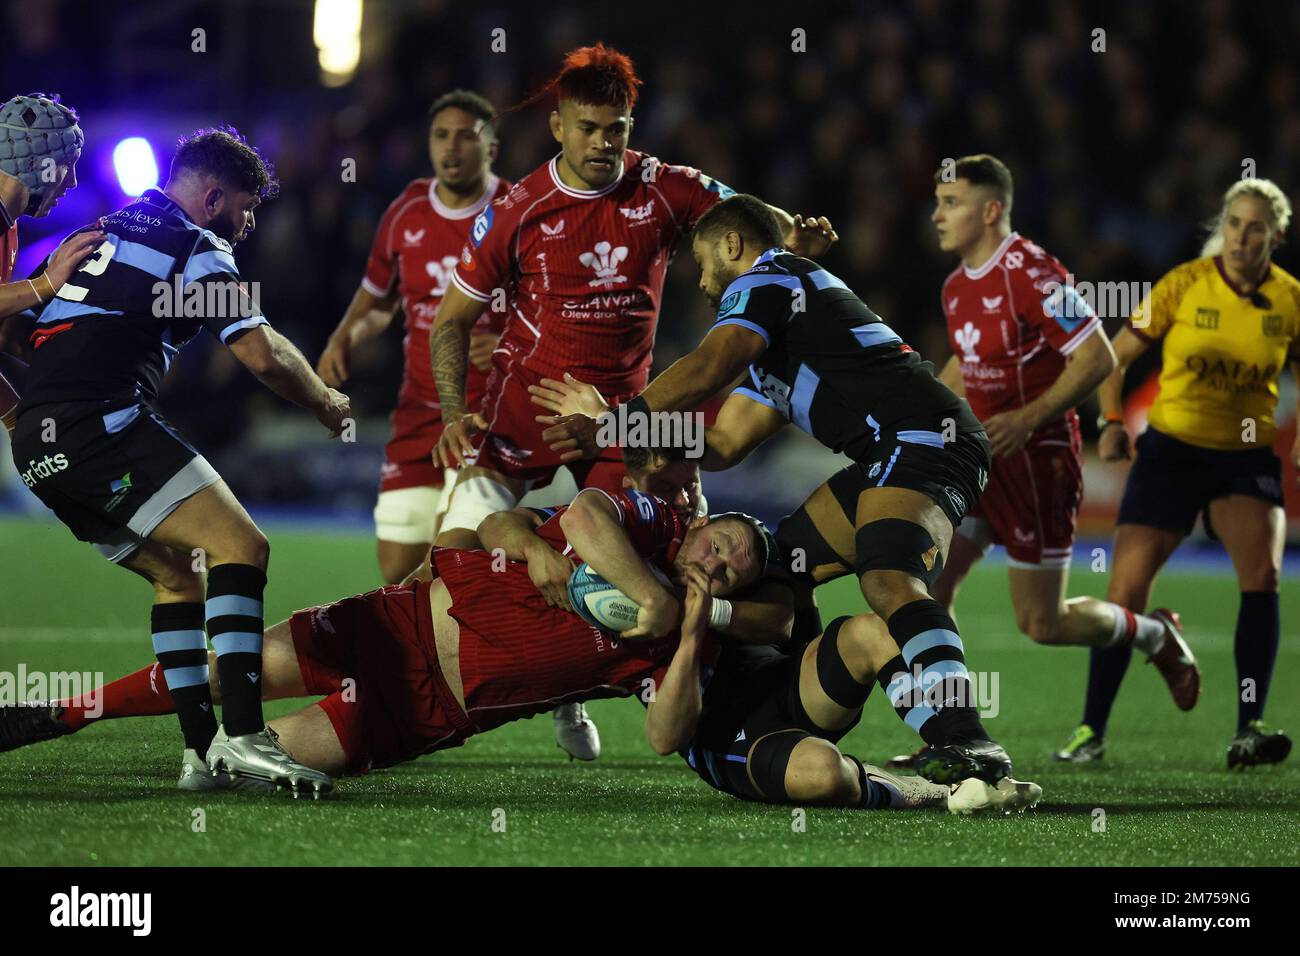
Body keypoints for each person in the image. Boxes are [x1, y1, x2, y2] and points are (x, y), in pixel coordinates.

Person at [428, 43, 835, 757]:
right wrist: (452, 409)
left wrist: (791, 239)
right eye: (588, 127)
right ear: (558, 126)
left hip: (628, 421)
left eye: (617, 128)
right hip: (525, 409)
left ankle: (591, 692)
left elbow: (749, 219)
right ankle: (421, 683)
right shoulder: (519, 207)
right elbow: (451, 320)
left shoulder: (665, 186)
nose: (604, 143)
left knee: (655, 567)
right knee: (455, 559)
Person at [533, 194, 1019, 786]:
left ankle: (966, 739)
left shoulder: (768, 276)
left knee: (887, 579)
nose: (705, 283)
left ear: (732, 246)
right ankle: (799, 689)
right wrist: (637, 433)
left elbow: (711, 365)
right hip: (888, 453)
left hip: (924, 439)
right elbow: (721, 444)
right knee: (784, 564)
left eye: (705, 263)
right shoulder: (780, 342)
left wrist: (613, 419)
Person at [1, 482, 768, 786]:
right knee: (220, 674)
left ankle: (194, 759)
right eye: (723, 539)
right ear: (702, 525)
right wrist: (649, 599)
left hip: (426, 713)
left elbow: (668, 736)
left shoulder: (681, 647)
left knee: (241, 767)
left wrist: (691, 627)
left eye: (735, 564)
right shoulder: (654, 525)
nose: (721, 558)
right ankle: (54, 715)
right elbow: (580, 513)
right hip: (394, 624)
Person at [9, 127, 351, 793]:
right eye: (247, 208)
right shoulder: (194, 244)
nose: (248, 223)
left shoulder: (104, 229)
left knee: (178, 576)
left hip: (35, 444)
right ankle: (247, 737)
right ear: (215, 196)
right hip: (100, 425)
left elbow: (12, 330)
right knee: (241, 548)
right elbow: (260, 352)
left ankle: (202, 755)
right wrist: (325, 405)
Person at [882, 155, 1195, 770]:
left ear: (991, 210)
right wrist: (912, 414)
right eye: (938, 202)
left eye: (952, 203)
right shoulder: (955, 285)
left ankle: (1155, 634)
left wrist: (1029, 419)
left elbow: (1098, 356)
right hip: (980, 462)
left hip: (1038, 463)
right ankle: (952, 735)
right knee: (926, 589)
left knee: (1041, 623)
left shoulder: (1032, 273)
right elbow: (964, 370)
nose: (937, 214)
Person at [1057, 178, 1299, 769]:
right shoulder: (1185, 283)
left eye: (1256, 227)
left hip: (1245, 456)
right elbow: (1117, 356)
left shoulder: (1290, 298)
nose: (1242, 236)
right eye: (1235, 223)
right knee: (1125, 593)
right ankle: (1090, 730)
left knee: (1262, 578)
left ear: (1277, 234)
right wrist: (1112, 421)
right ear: (1225, 224)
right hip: (1171, 453)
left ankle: (1249, 727)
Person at [317, 90, 510, 584]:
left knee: (453, 557)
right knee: (398, 571)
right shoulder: (406, 213)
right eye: (441, 135)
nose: (452, 148)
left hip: (488, 417)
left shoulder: (518, 213)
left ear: (491, 147)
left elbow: (551, 309)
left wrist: (511, 344)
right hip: (419, 415)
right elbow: (378, 299)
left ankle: (455, 654)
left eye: (467, 136)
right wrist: (343, 338)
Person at [0, 93, 102, 435]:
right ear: (35, 163)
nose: (71, 181)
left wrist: (15, 417)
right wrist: (46, 284)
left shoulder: (9, 227)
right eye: (66, 164)